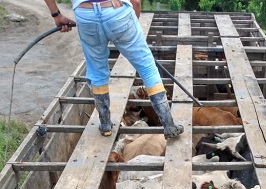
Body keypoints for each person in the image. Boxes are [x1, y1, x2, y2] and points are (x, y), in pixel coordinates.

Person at [43, 0, 184, 139]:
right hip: (117, 11)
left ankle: (105, 125)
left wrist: (56, 15)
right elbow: (135, 1)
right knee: (147, 67)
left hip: (85, 15)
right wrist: (130, 25)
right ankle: (169, 125)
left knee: (97, 71)